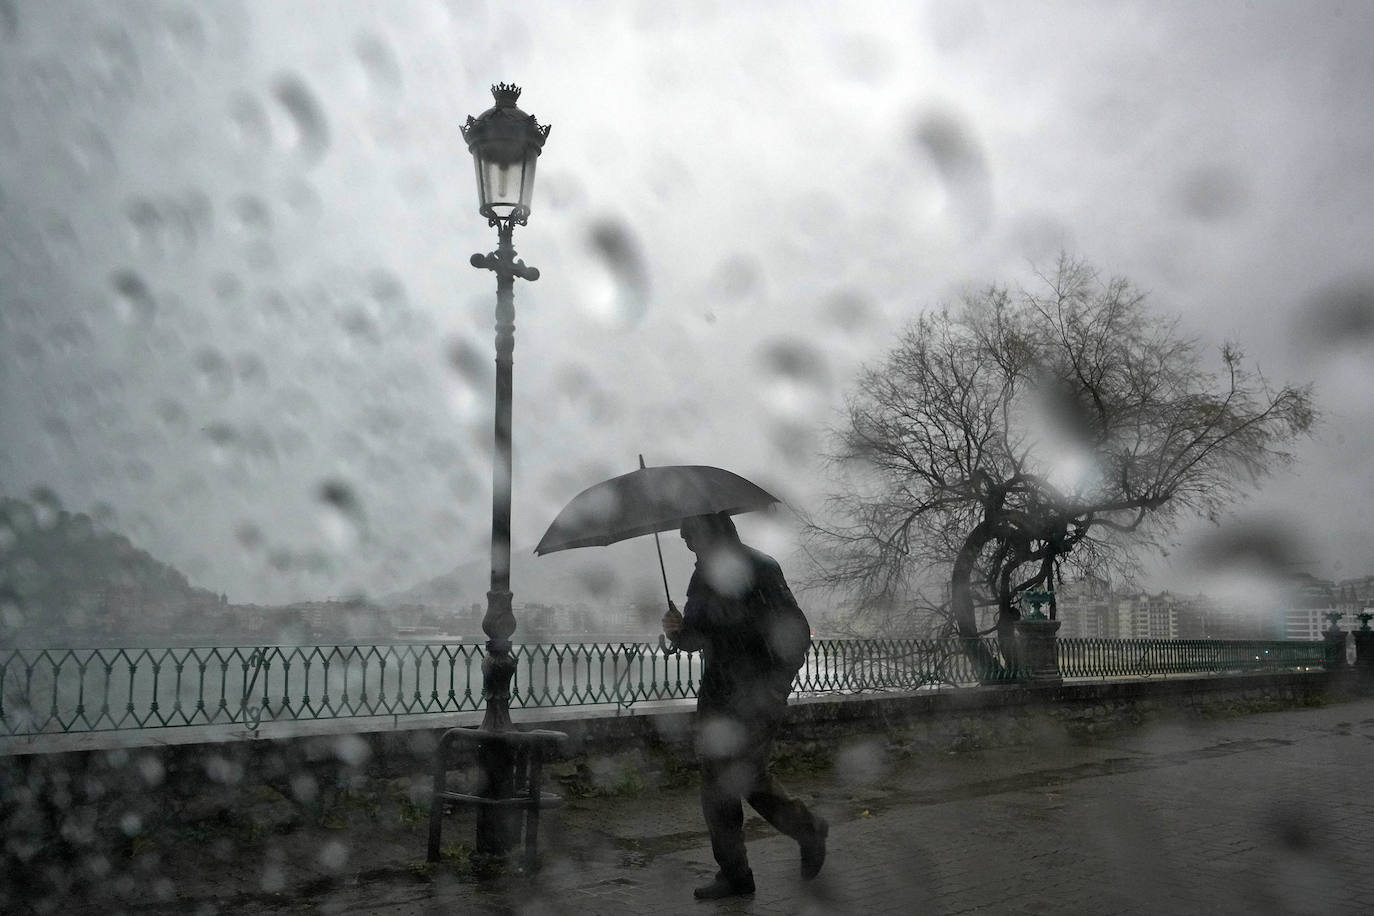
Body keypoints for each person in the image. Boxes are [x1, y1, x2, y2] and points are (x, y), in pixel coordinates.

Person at [661, 511, 828, 900]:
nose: (691, 548)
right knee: (716, 785)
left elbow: (796, 631)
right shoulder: (701, 577)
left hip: (757, 695)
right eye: (686, 542)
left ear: (714, 531)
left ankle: (805, 830)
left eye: (694, 539)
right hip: (717, 696)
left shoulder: (761, 569)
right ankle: (735, 874)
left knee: (746, 777)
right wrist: (678, 631)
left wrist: (775, 686)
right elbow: (699, 636)